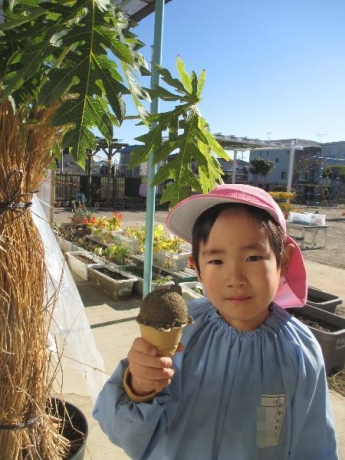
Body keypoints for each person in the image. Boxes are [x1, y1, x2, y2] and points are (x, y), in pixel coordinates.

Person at [93, 184, 338, 459]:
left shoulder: (301, 353)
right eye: (217, 261)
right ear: (195, 267)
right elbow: (117, 429)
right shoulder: (179, 332)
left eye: (253, 257)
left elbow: (315, 446)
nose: (235, 278)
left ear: (283, 260)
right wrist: (140, 387)